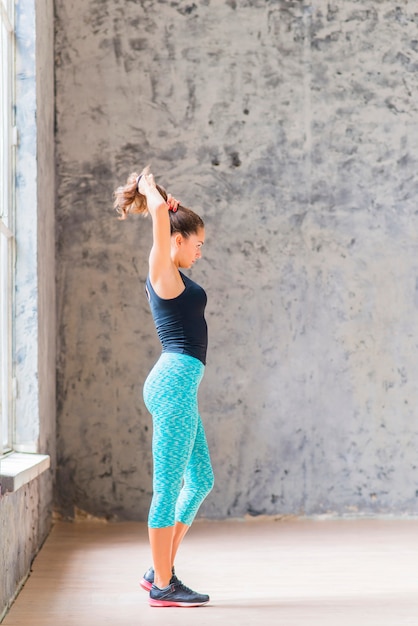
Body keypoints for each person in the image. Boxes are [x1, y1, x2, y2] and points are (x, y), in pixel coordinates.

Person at [114, 168, 214, 608]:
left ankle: (161, 569)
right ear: (176, 241)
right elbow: (157, 215)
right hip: (173, 384)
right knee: (169, 487)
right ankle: (162, 586)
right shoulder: (162, 269)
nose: (200, 252)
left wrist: (165, 198)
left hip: (180, 385)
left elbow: (164, 214)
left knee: (202, 479)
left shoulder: (174, 273)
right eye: (198, 245)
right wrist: (150, 189)